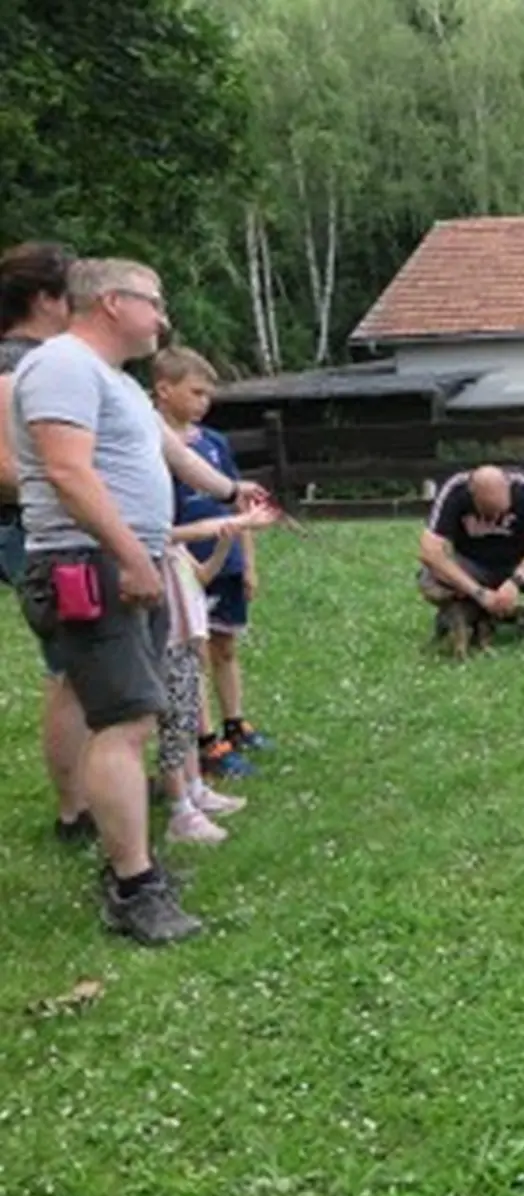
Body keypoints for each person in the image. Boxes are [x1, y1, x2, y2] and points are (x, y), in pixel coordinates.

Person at [10, 257, 271, 944]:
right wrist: (131, 555)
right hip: (90, 564)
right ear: (112, 303)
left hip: (126, 559)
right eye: (154, 303)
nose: (163, 317)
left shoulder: (115, 380)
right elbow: (66, 471)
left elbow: (174, 456)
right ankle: (133, 885)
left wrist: (229, 491)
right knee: (123, 724)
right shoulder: (61, 365)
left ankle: (134, 863)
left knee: (136, 717)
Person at [0, 241, 91, 844]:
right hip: (28, 531)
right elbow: (7, 467)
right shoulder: (12, 367)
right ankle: (73, 810)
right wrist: (85, 491)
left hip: (41, 525)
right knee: (71, 670)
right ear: (44, 299)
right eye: (72, 293)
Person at [153, 346, 267, 777]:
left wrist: (248, 562)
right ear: (164, 390)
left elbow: (238, 506)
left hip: (227, 561)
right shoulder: (152, 446)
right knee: (192, 652)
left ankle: (234, 722)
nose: (204, 402)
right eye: (196, 392)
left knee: (226, 644)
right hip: (184, 565)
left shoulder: (216, 443)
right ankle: (205, 740)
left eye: (208, 394)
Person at [158, 509, 275, 844]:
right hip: (168, 641)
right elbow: (185, 533)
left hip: (189, 639)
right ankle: (180, 809)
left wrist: (223, 545)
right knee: (174, 728)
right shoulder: (157, 549)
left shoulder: (177, 552)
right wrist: (230, 523)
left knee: (189, 717)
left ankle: (196, 789)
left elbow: (203, 577)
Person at [417, 464, 524, 654]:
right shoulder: (455, 490)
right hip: (473, 565)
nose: (494, 519)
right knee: (429, 581)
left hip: (517, 562)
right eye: (486, 512)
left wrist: (515, 582)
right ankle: (461, 614)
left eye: (500, 511)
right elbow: (430, 551)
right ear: (471, 494)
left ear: (509, 491)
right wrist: (478, 592)